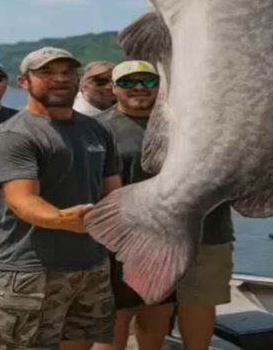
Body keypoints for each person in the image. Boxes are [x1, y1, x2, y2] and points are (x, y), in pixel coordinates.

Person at [0, 47, 121, 350]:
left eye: (67, 72)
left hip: (92, 264)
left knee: (80, 343)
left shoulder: (96, 130)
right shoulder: (14, 135)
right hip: (32, 269)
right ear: (24, 82)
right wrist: (65, 220)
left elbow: (113, 192)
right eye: (46, 72)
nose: (59, 79)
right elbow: (22, 201)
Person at [94, 61, 234, 350]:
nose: (139, 88)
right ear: (113, 88)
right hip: (132, 239)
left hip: (204, 232)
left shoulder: (197, 120)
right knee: (121, 314)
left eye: (148, 81)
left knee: (185, 306)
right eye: (128, 82)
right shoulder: (98, 129)